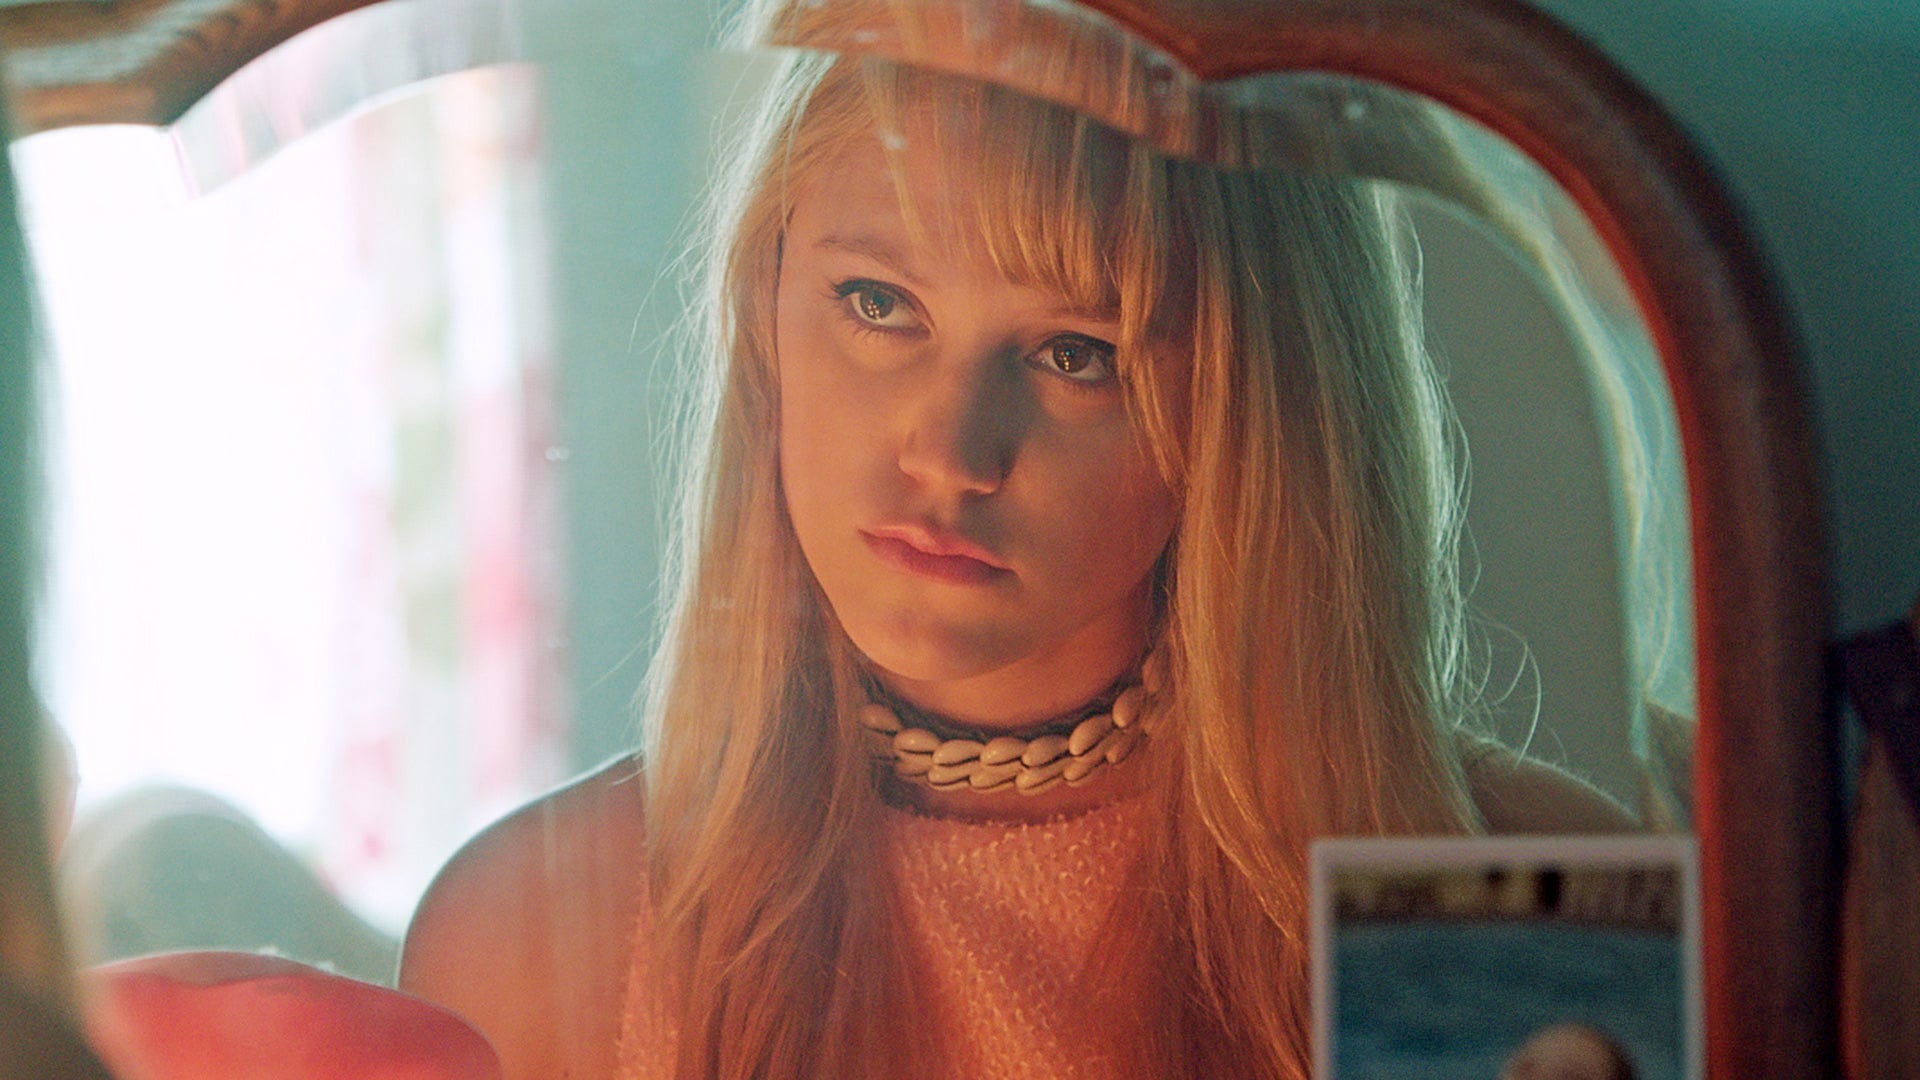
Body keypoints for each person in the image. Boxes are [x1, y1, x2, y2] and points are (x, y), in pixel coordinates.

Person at [398, 6, 1635, 1078]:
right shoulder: (530, 935)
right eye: (878, 304)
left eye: (1075, 353)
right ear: (763, 318)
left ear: (1259, 407)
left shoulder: (1527, 905)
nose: (950, 453)